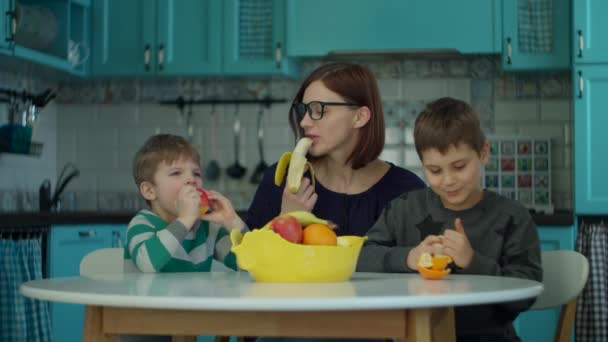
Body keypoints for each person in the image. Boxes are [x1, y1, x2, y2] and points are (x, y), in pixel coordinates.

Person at [357, 97, 542, 342]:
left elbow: (526, 294)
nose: (448, 180)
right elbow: (359, 259)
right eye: (435, 171)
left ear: (483, 153)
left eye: (459, 166)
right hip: (416, 336)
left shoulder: (512, 216)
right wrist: (409, 257)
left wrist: (473, 262)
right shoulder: (403, 209)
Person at [246, 62, 425, 234]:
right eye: (304, 110)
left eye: (319, 109)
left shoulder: (408, 192)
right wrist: (286, 220)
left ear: (359, 117)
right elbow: (250, 260)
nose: (304, 122)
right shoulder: (280, 180)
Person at [125, 133, 246, 273]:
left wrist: (233, 222)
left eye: (196, 173)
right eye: (176, 173)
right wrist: (186, 219)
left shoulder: (208, 230)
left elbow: (251, 265)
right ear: (149, 191)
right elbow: (147, 264)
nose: (191, 179)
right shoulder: (142, 224)